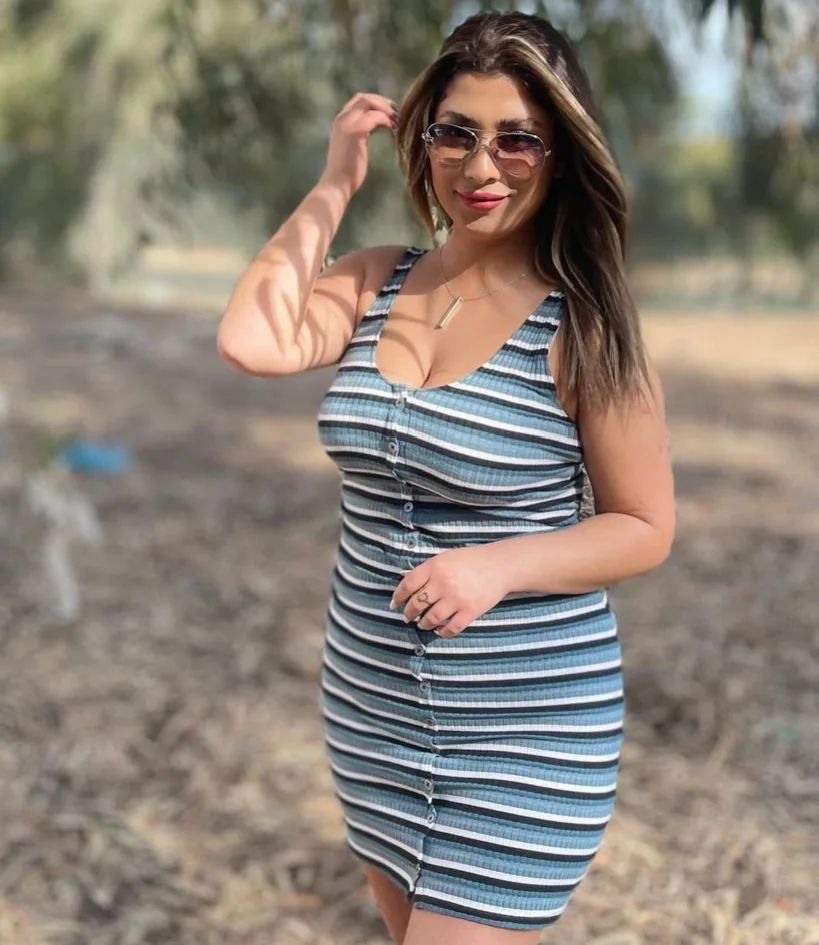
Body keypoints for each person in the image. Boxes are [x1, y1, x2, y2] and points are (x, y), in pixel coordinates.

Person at [217, 9, 675, 944]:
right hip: (371, 712)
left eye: (517, 139)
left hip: (520, 733)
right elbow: (251, 339)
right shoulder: (378, 281)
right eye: (455, 133)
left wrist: (494, 566)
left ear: (560, 154)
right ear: (422, 142)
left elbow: (643, 526)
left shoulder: (581, 329)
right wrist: (335, 183)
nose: (479, 166)